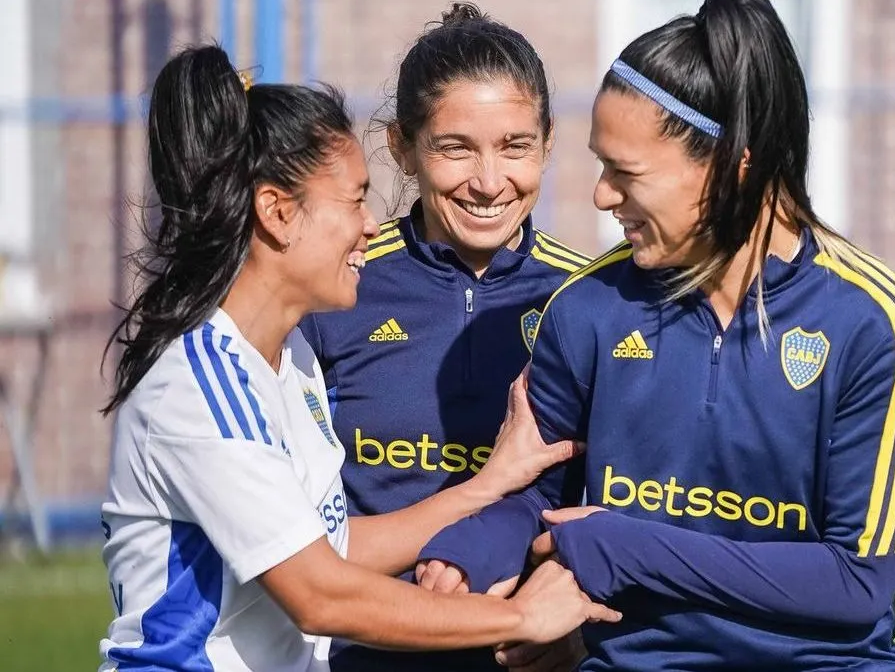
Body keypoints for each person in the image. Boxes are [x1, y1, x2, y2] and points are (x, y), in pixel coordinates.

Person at [416, 0, 895, 670]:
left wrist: (629, 549)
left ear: (733, 165)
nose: (602, 195)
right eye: (601, 166)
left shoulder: (873, 319)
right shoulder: (587, 307)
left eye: (625, 172)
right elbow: (540, 496)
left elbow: (857, 583)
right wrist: (469, 550)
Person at [96, 44, 618, 672]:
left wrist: (487, 487)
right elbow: (321, 597)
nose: (372, 225)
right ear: (278, 213)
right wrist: (522, 619)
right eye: (354, 201)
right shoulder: (201, 386)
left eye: (514, 145)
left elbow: (333, 547)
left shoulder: (288, 362)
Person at [298, 4, 592, 671]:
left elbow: (625, 506)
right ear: (403, 147)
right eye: (455, 148)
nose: (488, 182)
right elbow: (290, 536)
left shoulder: (590, 301)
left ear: (548, 144)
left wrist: (575, 620)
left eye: (515, 146)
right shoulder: (333, 293)